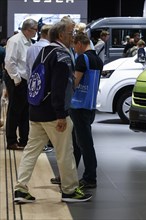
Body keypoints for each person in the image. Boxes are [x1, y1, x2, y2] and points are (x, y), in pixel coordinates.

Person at [13, 20, 92, 203]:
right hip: (53, 114)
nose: (73, 36)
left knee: (30, 151)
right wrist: (61, 114)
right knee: (65, 152)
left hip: (36, 110)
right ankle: (70, 190)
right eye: (71, 33)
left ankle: (21, 189)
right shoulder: (62, 56)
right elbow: (59, 87)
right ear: (60, 35)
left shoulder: (44, 51)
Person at [70, 32, 103, 188]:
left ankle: (90, 177)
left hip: (78, 105)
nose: (75, 50)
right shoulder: (97, 59)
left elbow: (74, 83)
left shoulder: (83, 58)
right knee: (81, 142)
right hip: (90, 105)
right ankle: (71, 173)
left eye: (74, 46)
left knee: (84, 144)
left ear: (79, 43)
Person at [4, 19, 38, 150]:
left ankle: (24, 140)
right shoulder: (15, 40)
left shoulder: (28, 41)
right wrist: (17, 80)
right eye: (35, 29)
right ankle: (11, 141)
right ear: (28, 29)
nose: (36, 32)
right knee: (14, 111)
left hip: (25, 80)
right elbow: (9, 62)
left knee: (24, 111)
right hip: (17, 80)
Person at [25, 24, 54, 153]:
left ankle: (37, 144)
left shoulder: (31, 48)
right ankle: (46, 143)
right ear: (48, 34)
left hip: (32, 86)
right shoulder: (49, 49)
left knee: (34, 121)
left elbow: (27, 68)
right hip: (46, 90)